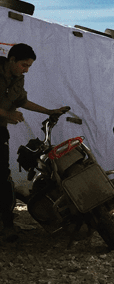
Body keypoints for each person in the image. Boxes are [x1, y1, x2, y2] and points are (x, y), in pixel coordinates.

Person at [0, 43, 69, 241]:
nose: (26, 70)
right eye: (24, 65)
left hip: (0, 130)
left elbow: (22, 101)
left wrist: (49, 111)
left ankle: (7, 224)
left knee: (3, 176)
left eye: (29, 66)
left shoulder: (17, 79)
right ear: (11, 60)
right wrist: (6, 113)